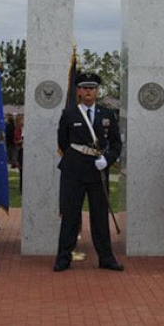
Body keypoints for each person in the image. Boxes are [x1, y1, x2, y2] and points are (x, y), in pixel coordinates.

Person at [53, 72, 124, 273]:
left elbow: (117, 143)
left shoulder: (107, 115)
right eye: (84, 88)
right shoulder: (69, 114)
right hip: (73, 171)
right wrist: (78, 157)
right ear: (78, 91)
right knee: (70, 215)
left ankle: (106, 258)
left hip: (98, 171)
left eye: (92, 88)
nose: (88, 91)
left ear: (97, 91)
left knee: (100, 216)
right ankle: (63, 258)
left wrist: (107, 160)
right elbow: (63, 142)